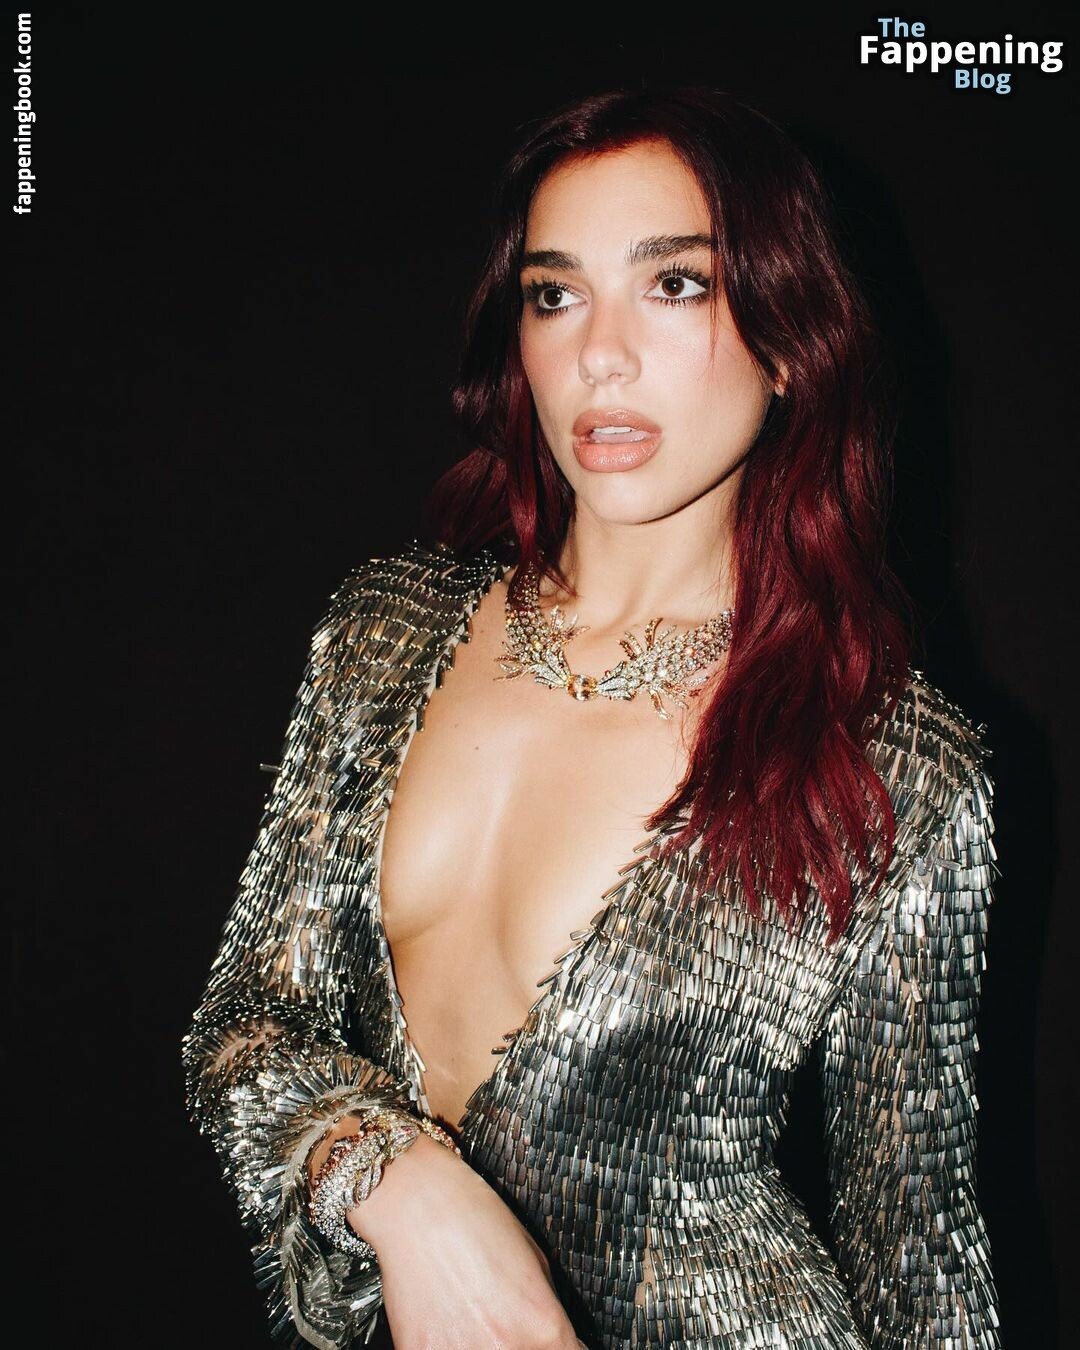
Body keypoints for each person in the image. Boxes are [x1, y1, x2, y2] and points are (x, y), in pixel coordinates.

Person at [181, 85, 1003, 1349]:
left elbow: (921, 1254)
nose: (599, 355)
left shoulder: (896, 763)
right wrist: (401, 1189)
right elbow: (244, 1022)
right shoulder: (382, 633)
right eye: (555, 294)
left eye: (674, 285)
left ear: (791, 338)